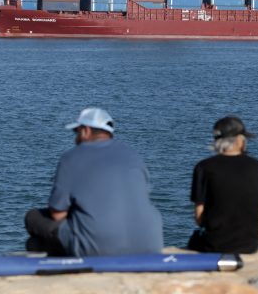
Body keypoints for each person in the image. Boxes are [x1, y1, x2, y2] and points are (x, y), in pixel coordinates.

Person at [24, 107, 163, 256]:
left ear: (86, 131)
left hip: (100, 246)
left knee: (33, 218)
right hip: (151, 243)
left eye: (76, 131)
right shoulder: (134, 156)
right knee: (38, 242)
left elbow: (57, 213)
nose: (75, 137)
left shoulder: (72, 157)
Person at [188, 116, 258, 253]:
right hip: (250, 244)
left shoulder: (203, 167)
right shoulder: (257, 167)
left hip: (213, 244)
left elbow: (199, 217)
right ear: (240, 140)